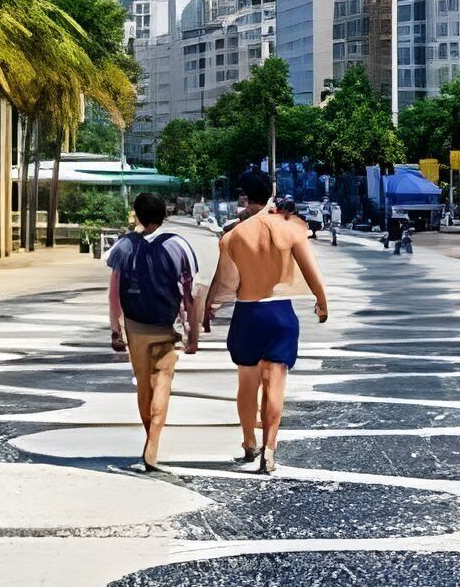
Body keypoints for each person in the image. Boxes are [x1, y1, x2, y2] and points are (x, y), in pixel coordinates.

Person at [204, 170, 329, 476]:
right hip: (280, 315)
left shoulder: (233, 236)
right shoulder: (288, 228)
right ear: (271, 192)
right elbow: (309, 267)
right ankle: (269, 450)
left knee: (247, 384)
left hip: (248, 314)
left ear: (245, 197)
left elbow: (226, 281)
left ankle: (249, 444)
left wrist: (210, 305)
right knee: (275, 384)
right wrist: (321, 301)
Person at [105, 192, 201, 474]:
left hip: (135, 326)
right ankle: (153, 443)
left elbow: (114, 293)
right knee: (162, 383)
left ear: (136, 214)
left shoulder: (123, 246)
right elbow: (189, 293)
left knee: (144, 385)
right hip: (164, 327)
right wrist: (192, 331)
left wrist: (115, 330)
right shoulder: (178, 245)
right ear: (165, 215)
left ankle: (149, 437)